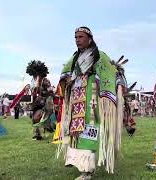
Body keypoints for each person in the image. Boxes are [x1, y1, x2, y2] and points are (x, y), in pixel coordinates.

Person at [56, 27, 127, 180]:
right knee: (76, 130)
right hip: (76, 99)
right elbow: (65, 73)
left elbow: (111, 71)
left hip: (91, 98)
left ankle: (87, 170)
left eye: (80, 37)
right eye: (75, 37)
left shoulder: (98, 55)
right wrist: (66, 81)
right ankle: (77, 162)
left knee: (89, 128)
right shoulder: (75, 57)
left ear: (89, 38)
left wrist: (117, 81)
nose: (77, 40)